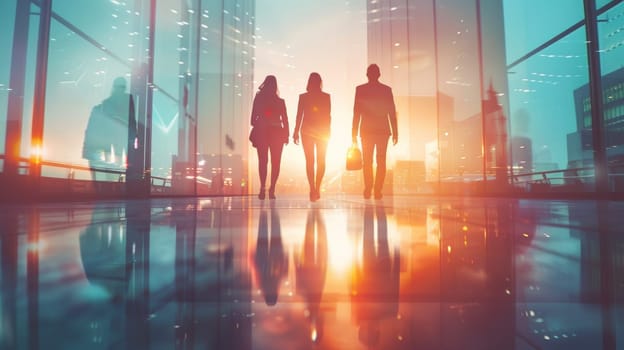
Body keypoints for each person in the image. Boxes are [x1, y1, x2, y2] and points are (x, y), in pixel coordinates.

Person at [352, 64, 398, 199]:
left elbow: (356, 112)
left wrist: (353, 132)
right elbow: (392, 112)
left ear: (367, 74)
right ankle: (378, 189)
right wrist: (395, 132)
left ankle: (368, 188)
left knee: (367, 161)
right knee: (381, 161)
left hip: (366, 130)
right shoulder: (386, 90)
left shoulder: (360, 90)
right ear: (379, 74)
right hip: (383, 130)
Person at [82, 76, 137, 182]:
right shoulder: (121, 100)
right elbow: (132, 120)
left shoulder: (108, 102)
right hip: (118, 139)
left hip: (115, 139)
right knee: (115, 161)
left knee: (114, 162)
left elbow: (131, 120)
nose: (120, 89)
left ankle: (111, 181)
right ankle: (111, 181)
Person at [293, 73, 331, 202]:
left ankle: (312, 188)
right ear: (320, 82)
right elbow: (328, 116)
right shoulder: (326, 97)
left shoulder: (304, 97)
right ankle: (317, 188)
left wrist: (296, 132)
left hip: (307, 131)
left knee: (310, 161)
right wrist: (328, 132)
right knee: (321, 160)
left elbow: (299, 116)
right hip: (322, 132)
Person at [250, 75, 289, 200]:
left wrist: (262, 120)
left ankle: (262, 188)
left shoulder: (259, 99)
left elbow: (252, 119)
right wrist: (286, 134)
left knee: (263, 161)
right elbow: (285, 120)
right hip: (277, 133)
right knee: (275, 162)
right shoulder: (280, 102)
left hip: (262, 132)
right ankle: (272, 188)